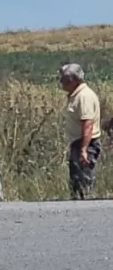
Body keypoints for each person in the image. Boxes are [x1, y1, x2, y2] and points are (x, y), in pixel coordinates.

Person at [59, 63, 102, 200]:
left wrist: (84, 149)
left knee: (83, 180)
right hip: (79, 143)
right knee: (76, 180)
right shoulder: (75, 95)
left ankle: (85, 208)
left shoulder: (84, 97)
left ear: (76, 80)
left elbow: (88, 124)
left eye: (66, 80)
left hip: (86, 143)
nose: (62, 83)